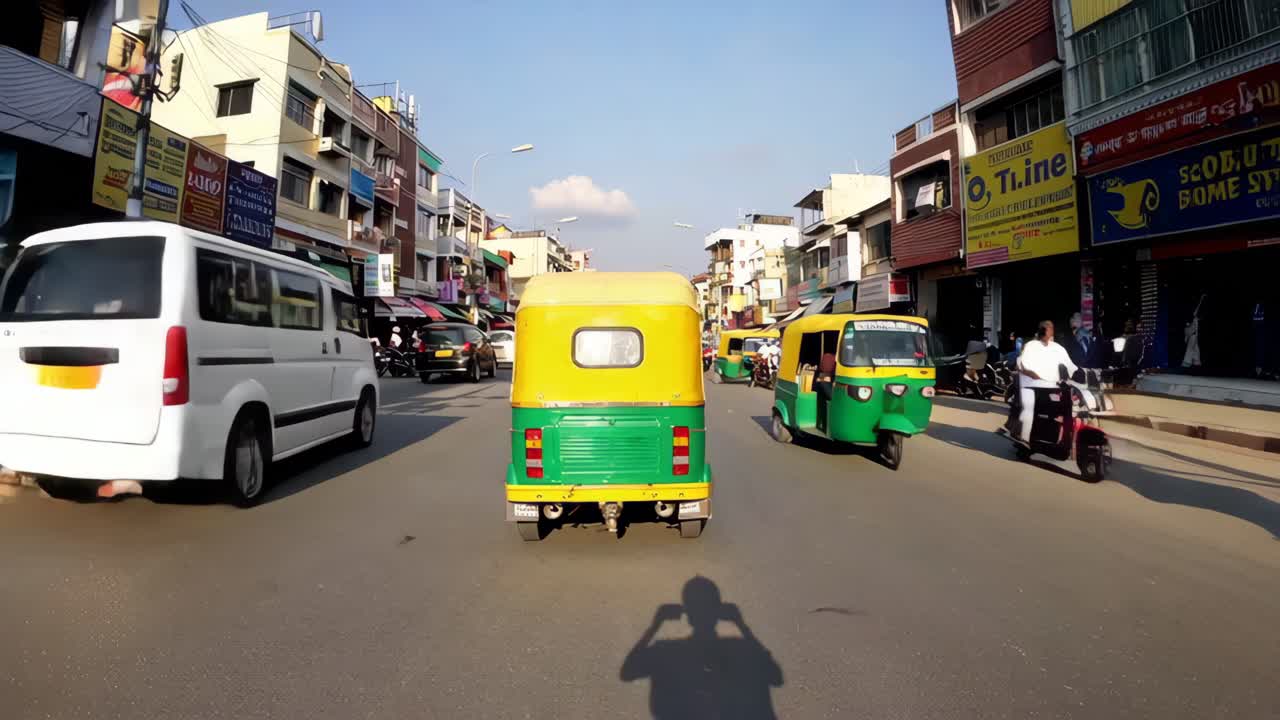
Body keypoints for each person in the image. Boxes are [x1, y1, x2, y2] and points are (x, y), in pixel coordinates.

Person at [1015, 320, 1077, 445]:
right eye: (1046, 328)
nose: (1048, 331)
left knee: (1067, 407)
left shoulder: (1057, 348)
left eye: (1050, 328)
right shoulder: (1031, 346)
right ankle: (1025, 438)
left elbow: (1071, 367)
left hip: (1050, 386)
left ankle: (1065, 439)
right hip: (1030, 385)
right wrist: (1033, 374)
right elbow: (1024, 366)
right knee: (1029, 408)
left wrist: (1080, 374)